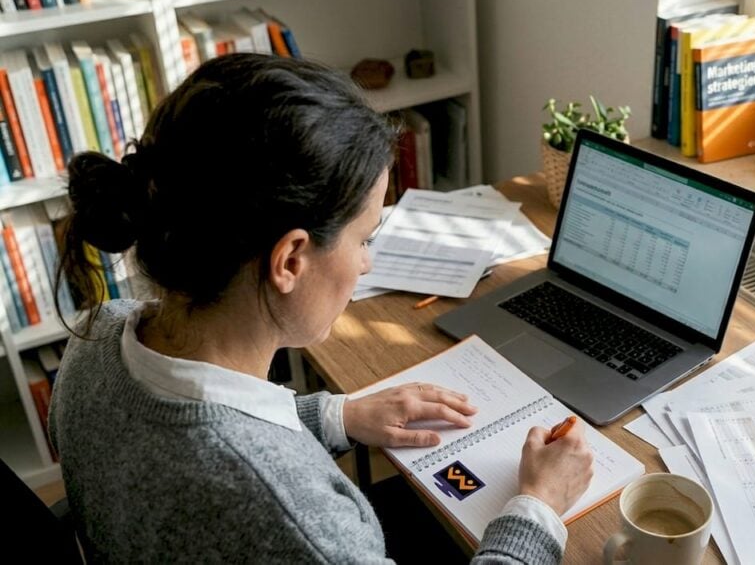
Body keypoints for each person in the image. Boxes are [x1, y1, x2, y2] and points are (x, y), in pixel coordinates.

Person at [48, 53, 594, 563]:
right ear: (289, 260)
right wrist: (539, 507)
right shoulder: (297, 518)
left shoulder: (97, 334)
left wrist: (338, 415)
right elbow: (244, 465)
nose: (366, 265)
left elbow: (214, 434)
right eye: (364, 240)